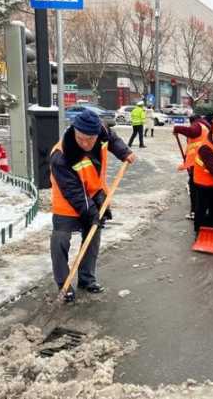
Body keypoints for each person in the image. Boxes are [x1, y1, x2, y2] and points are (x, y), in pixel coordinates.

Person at [50, 110, 136, 303]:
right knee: (60, 239)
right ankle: (64, 284)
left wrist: (125, 152)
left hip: (95, 193)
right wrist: (90, 212)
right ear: (74, 131)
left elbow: (113, 139)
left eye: (91, 139)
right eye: (82, 138)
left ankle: (87, 279)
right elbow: (73, 191)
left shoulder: (102, 132)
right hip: (67, 201)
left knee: (92, 237)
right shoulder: (61, 155)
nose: (86, 143)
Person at [173, 115, 212, 220]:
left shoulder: (197, 125)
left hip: (197, 161)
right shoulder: (205, 126)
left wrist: (177, 128)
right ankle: (203, 209)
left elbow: (191, 131)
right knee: (201, 186)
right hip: (203, 160)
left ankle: (195, 211)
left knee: (195, 187)